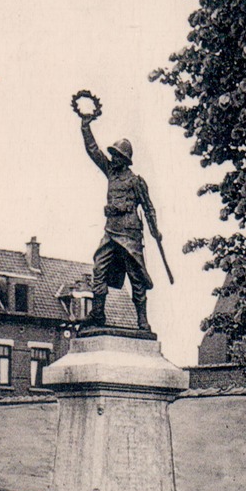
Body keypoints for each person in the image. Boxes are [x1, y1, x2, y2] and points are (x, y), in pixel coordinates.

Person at [79, 117, 159, 332]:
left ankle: (142, 320)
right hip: (111, 230)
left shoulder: (135, 181)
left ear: (125, 159)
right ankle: (98, 313)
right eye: (113, 155)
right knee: (99, 268)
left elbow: (149, 208)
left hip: (130, 232)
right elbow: (94, 151)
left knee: (136, 276)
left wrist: (155, 230)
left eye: (117, 156)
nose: (113, 159)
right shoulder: (111, 174)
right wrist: (85, 126)